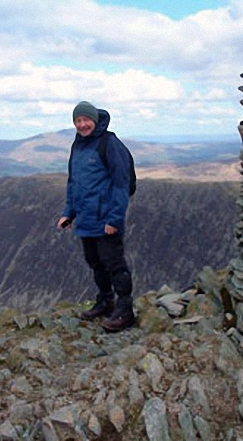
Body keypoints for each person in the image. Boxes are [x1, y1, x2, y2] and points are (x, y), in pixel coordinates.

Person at [57, 101, 135, 332]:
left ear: (95, 120)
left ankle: (125, 310)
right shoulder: (78, 146)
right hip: (86, 219)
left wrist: (114, 220)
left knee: (114, 264)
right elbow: (74, 182)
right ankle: (105, 301)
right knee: (96, 263)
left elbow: (121, 184)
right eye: (77, 121)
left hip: (105, 220)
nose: (82, 125)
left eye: (85, 120)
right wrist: (68, 213)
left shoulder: (109, 143)